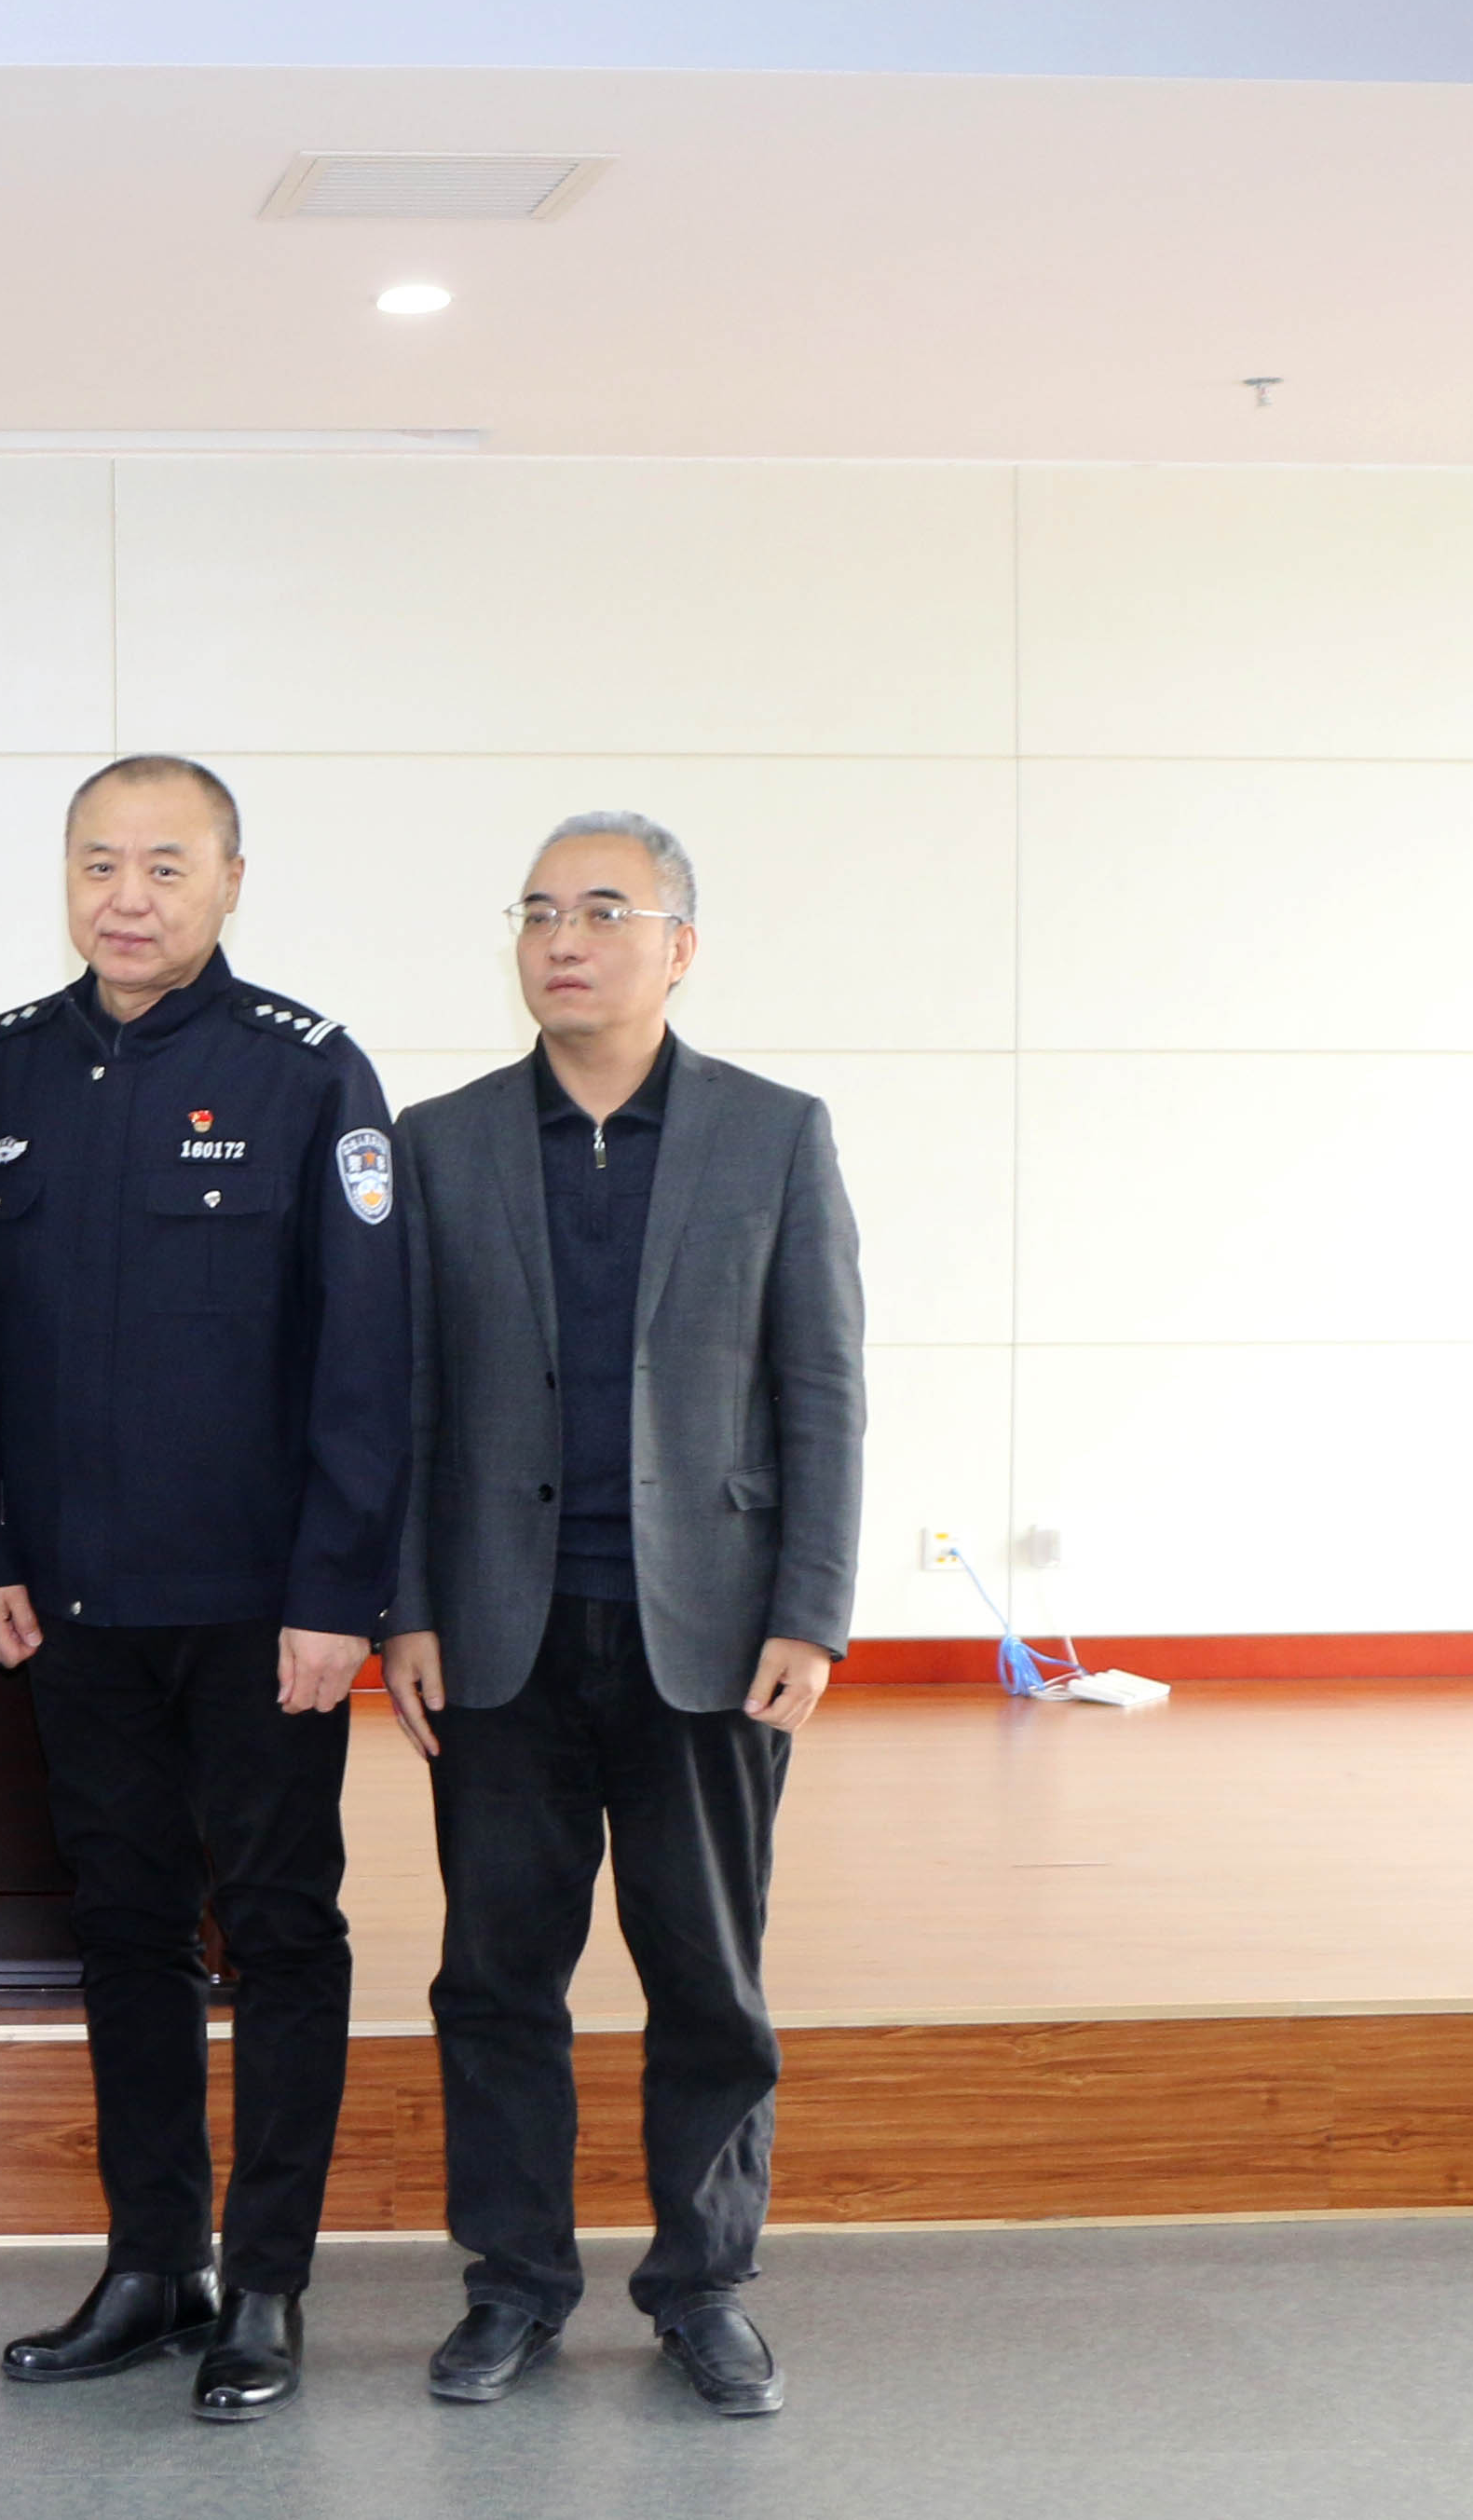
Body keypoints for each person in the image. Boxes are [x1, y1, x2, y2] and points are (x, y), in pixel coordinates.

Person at [0, 755, 408, 2421]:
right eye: (98, 863)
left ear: (231, 882)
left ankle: (265, 2281)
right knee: (123, 1931)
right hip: (68, 1608)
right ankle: (152, 2262)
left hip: (261, 1612)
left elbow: (366, 1355)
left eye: (166, 866)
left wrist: (339, 1591)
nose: (128, 897)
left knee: (279, 1930)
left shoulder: (308, 1072)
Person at [379, 812, 865, 2419]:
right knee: (495, 1979)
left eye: (602, 911)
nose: (563, 940)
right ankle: (513, 2284)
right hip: (498, 1635)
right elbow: (403, 1398)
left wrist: (811, 1609)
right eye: (538, 912)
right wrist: (406, 1608)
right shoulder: (441, 1142)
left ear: (680, 948)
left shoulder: (772, 1135)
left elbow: (823, 1388)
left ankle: (702, 2288)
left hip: (708, 1636)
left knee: (708, 1982)